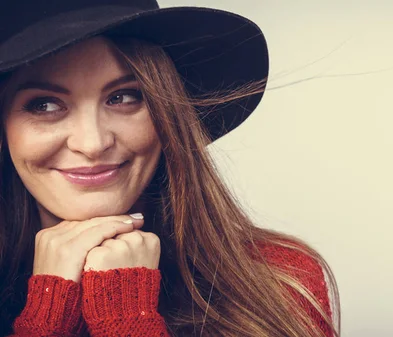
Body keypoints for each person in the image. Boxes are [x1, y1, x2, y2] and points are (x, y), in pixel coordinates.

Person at [0, 1, 340, 336]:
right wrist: (47, 320)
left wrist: (129, 321)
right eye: (45, 105)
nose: (93, 143)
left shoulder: (276, 279)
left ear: (166, 114)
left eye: (124, 97)